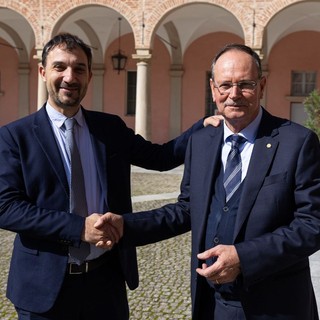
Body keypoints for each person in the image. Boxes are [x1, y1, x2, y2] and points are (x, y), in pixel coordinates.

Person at [0, 33, 220, 320]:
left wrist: (201, 127)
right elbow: (6, 208)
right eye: (60, 67)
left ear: (89, 75)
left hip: (105, 282)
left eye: (79, 68)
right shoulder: (14, 137)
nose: (70, 77)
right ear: (43, 72)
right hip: (43, 289)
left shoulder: (110, 128)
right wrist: (79, 228)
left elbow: (161, 157)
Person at [97, 43, 320, 319]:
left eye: (245, 84)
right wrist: (125, 226)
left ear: (262, 86)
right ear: (213, 89)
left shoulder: (296, 142)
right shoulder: (201, 141)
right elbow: (187, 208)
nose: (234, 94)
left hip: (277, 306)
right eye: (225, 85)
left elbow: (312, 225)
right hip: (213, 305)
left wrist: (244, 257)